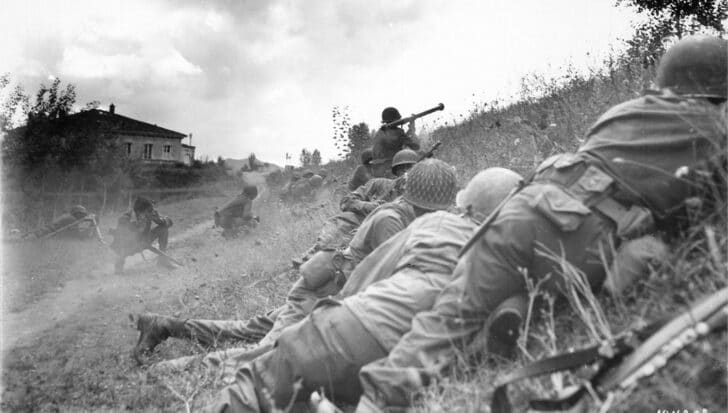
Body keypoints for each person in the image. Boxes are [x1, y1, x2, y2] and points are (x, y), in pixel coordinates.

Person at [355, 35, 728, 411]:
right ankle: (515, 313)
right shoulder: (714, 126)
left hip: (523, 206)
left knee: (451, 313)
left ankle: (378, 397)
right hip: (582, 231)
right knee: (572, 290)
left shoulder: (626, 110)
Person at [202, 168, 523, 413]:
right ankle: (196, 357)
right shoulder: (509, 258)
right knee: (260, 342)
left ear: (464, 205)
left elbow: (368, 283)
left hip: (351, 319)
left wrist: (337, 317)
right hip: (323, 296)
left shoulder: (433, 224)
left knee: (259, 376)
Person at [130, 159, 459, 362]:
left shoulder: (403, 216)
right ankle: (170, 369)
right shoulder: (391, 220)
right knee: (267, 354)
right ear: (428, 204)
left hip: (323, 288)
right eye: (441, 209)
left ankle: (163, 325)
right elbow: (393, 281)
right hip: (320, 293)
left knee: (247, 330)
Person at [110, 196, 174, 274]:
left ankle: (162, 261)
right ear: (140, 211)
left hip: (143, 241)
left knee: (163, 230)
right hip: (128, 246)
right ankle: (118, 269)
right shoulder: (124, 219)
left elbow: (169, 223)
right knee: (122, 246)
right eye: (149, 210)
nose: (152, 212)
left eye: (151, 210)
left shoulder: (148, 214)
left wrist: (159, 220)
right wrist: (139, 230)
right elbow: (120, 241)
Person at [370, 107, 420, 178]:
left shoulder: (380, 132)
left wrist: (409, 130)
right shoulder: (398, 133)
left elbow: (399, 139)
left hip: (378, 170)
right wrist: (412, 130)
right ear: (396, 119)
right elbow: (416, 146)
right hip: (391, 169)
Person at [23, 205, 98, 240]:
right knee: (29, 238)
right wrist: (90, 228)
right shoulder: (71, 219)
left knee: (30, 235)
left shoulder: (67, 216)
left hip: (46, 230)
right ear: (77, 213)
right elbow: (76, 236)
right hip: (47, 233)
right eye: (82, 214)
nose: (83, 216)